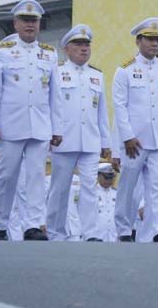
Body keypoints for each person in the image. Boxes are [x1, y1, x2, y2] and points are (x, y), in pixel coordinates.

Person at [0, 0, 58, 241]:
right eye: (25, 20)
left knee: (36, 176)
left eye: (34, 21)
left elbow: (55, 95)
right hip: (10, 124)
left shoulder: (49, 53)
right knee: (6, 176)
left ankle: (32, 225)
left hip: (40, 123)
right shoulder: (1, 50)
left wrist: (57, 128)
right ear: (15, 23)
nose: (29, 25)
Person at [112, 18, 158, 243]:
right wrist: (128, 137)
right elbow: (120, 108)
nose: (154, 44)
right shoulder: (125, 71)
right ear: (138, 41)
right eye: (150, 39)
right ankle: (124, 229)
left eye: (157, 40)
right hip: (135, 141)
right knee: (129, 187)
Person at [47, 25, 111, 242]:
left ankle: (90, 233)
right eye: (78, 45)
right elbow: (50, 106)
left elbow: (102, 110)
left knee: (89, 189)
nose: (84, 49)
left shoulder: (97, 75)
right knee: (60, 189)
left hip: (90, 140)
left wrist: (106, 140)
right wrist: (52, 133)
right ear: (67, 49)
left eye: (86, 45)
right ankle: (56, 232)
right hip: (64, 138)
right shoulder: (57, 72)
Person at [96, 162, 118, 242]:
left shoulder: (116, 193)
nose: (108, 180)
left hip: (114, 238)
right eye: (106, 177)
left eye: (111, 178)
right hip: (97, 237)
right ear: (98, 175)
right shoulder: (92, 194)